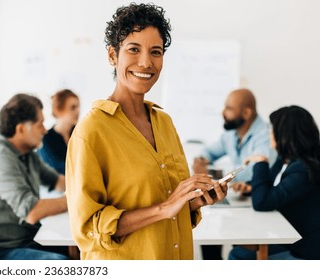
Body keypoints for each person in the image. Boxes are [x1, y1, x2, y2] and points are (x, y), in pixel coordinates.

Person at [65, 3, 227, 260]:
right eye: (133, 49)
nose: (146, 62)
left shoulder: (164, 122)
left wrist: (195, 201)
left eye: (156, 52)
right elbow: (87, 230)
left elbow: (173, 206)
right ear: (112, 55)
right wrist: (164, 208)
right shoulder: (91, 131)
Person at [0, 93, 69, 260]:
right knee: (61, 264)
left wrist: (91, 189)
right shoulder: (0, 158)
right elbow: (32, 212)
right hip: (1, 250)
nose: (44, 130)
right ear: (21, 129)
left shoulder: (26, 152)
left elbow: (57, 181)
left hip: (26, 239)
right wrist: (76, 199)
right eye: (40, 124)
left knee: (87, 248)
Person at [192, 89, 277, 259]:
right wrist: (201, 159)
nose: (223, 113)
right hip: (239, 201)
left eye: (229, 108)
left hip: (258, 204)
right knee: (210, 230)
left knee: (239, 249)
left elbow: (254, 170)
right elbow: (209, 151)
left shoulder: (264, 135)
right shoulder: (231, 133)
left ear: (246, 113)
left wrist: (210, 172)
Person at [228, 106, 320, 260]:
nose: (270, 134)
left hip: (305, 252)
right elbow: (270, 186)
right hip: (294, 239)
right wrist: (250, 188)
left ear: (283, 135)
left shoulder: (303, 169)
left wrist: (261, 162)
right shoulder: (290, 160)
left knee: (238, 256)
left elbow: (262, 202)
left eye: (272, 130)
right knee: (240, 249)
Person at [37, 89, 80, 175]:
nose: (78, 111)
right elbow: (57, 169)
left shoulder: (80, 133)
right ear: (58, 110)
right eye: (73, 107)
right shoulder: (45, 139)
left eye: (78, 106)